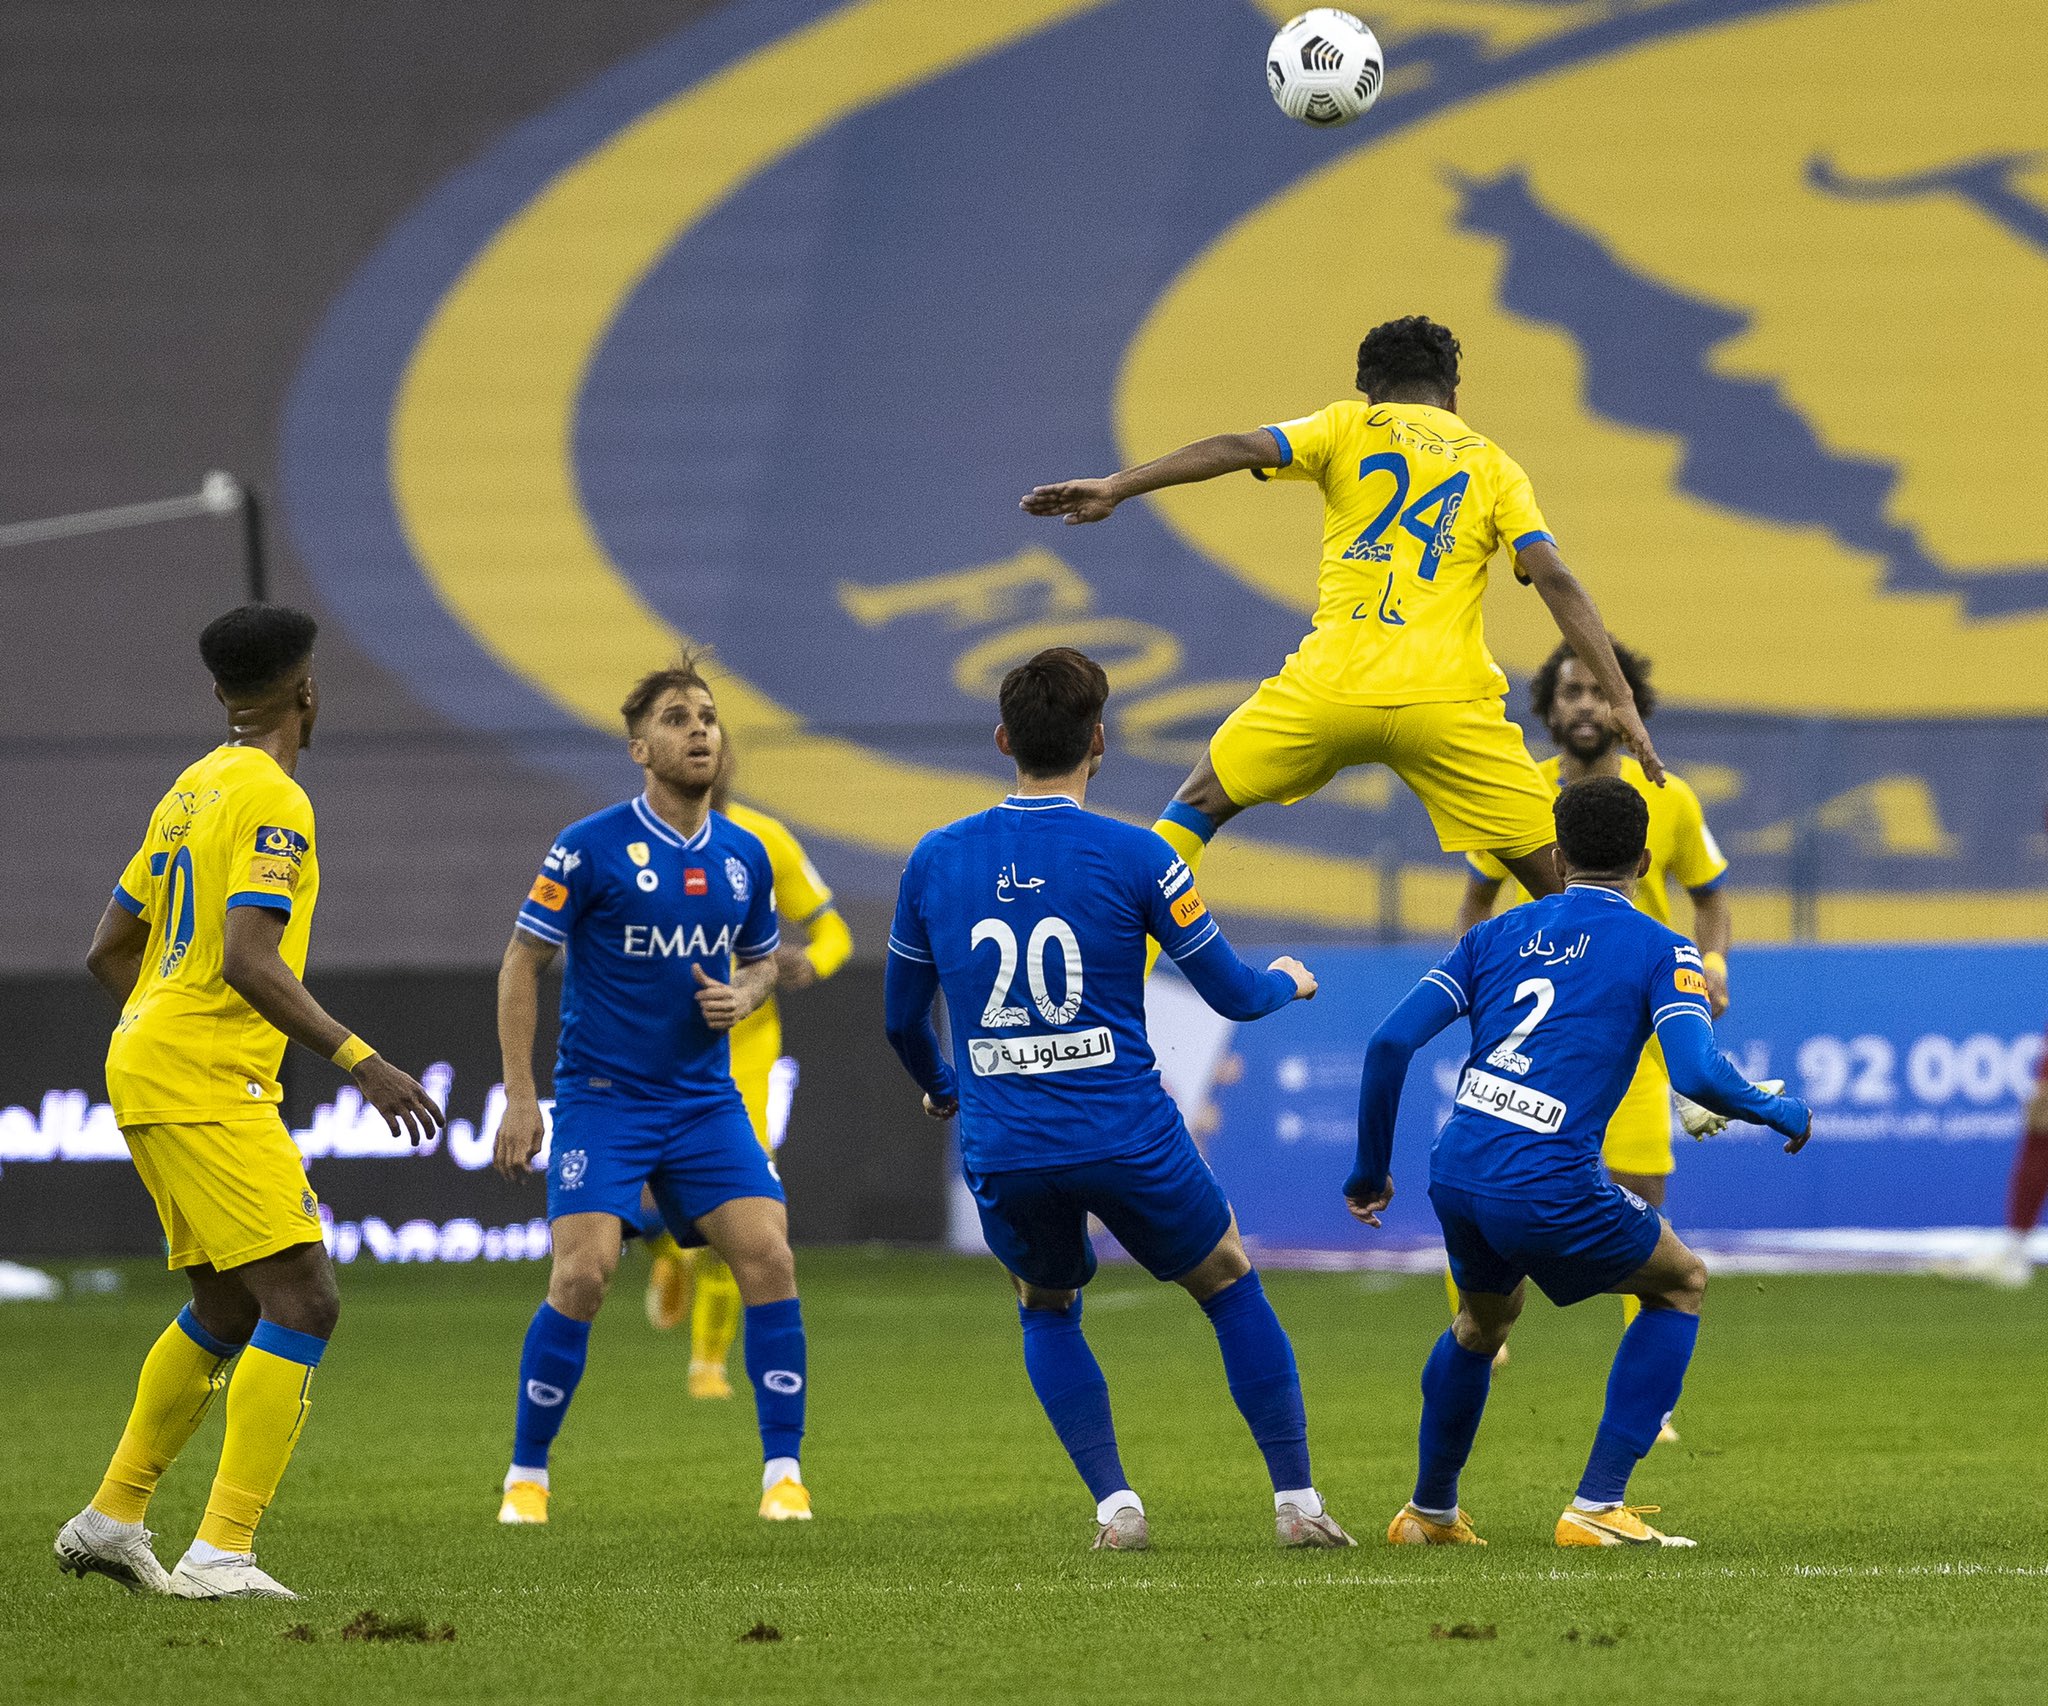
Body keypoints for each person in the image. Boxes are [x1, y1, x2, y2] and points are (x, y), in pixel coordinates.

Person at [883, 647, 1350, 1552]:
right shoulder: (1141, 855)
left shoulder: (935, 860)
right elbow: (1233, 993)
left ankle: (1116, 1508)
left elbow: (902, 1021)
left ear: (1003, 740)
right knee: (1226, 1282)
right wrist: (1288, 981)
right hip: (1126, 1133)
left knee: (1045, 1305)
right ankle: (1296, 1504)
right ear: (1099, 741)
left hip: (1008, 1143)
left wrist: (944, 1088)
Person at [1022, 315, 1662, 945]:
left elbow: (1238, 447)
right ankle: (1641, 999)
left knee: (1198, 805)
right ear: (1453, 396)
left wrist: (1117, 486)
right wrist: (1622, 700)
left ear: (1369, 391)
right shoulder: (1495, 467)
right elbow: (1555, 579)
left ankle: (1112, 973)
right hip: (1445, 706)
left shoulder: (1345, 425)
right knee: (1571, 880)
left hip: (1329, 691)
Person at [55, 605, 443, 1601]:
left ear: (219, 693)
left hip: (147, 1057)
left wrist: (160, 1019)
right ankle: (221, 1552)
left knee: (227, 1303)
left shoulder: (190, 790)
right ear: (306, 691)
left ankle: (112, 1517)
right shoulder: (274, 798)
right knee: (305, 1296)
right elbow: (247, 956)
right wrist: (362, 1060)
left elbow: (108, 947)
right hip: (203, 1074)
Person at [1346, 777, 1810, 1548]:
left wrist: (1369, 1171)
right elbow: (1697, 1073)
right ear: (1645, 861)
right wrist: (1779, 1109)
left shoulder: (1493, 934)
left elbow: (1389, 1042)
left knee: (1481, 1321)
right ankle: (1597, 1506)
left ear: (1558, 858)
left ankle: (1429, 1512)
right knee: (1681, 1282)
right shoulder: (1666, 948)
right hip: (1546, 1177)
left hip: (1458, 1165)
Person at [493, 660, 809, 1524]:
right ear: (640, 749)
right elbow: (522, 961)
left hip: (705, 1102)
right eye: (676, 718)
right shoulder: (587, 847)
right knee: (584, 1274)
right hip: (604, 1099)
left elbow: (762, 963)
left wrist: (745, 993)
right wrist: (520, 1095)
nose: (699, 729)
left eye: (708, 716)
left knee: (770, 1258)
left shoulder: (745, 855)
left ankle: (784, 1474)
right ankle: (527, 1474)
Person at [1453, 640, 1732, 1393]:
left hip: (1634, 1035)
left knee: (1642, 1208)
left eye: (1597, 691)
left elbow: (1709, 897)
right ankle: (1480, 1335)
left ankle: (1645, 1390)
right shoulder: (1517, 795)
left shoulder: (1668, 796)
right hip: (1541, 1037)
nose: (1584, 705)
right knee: (1499, 1183)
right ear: (1547, 709)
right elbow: (1477, 898)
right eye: (1569, 692)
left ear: (1625, 704)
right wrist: (1479, 988)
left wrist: (1714, 962)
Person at [641, 737, 853, 1397]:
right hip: (655, 1045)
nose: (707, 753)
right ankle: (666, 1251)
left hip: (744, 1055)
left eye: (716, 740)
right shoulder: (633, 845)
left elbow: (834, 931)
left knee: (737, 1209)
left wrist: (809, 962)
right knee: (640, 1202)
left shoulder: (765, 840)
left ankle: (708, 1364)